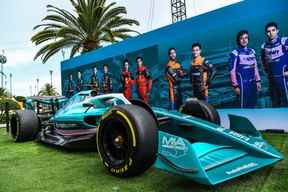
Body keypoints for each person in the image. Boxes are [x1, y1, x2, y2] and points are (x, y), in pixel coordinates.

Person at [229, 30, 261, 108]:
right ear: (238, 40)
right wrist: (235, 86)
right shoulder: (235, 53)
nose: (244, 40)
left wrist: (258, 81)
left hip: (253, 83)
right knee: (243, 106)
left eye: (246, 38)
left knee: (253, 105)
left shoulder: (252, 51)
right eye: (241, 38)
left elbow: (255, 68)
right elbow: (232, 71)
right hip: (242, 85)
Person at [261, 22, 288, 107]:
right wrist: (267, 73)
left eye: (273, 30)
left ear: (277, 31)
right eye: (268, 31)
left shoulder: (284, 41)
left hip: (285, 78)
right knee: (275, 103)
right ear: (266, 33)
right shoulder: (264, 46)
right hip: (273, 80)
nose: (271, 33)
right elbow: (264, 62)